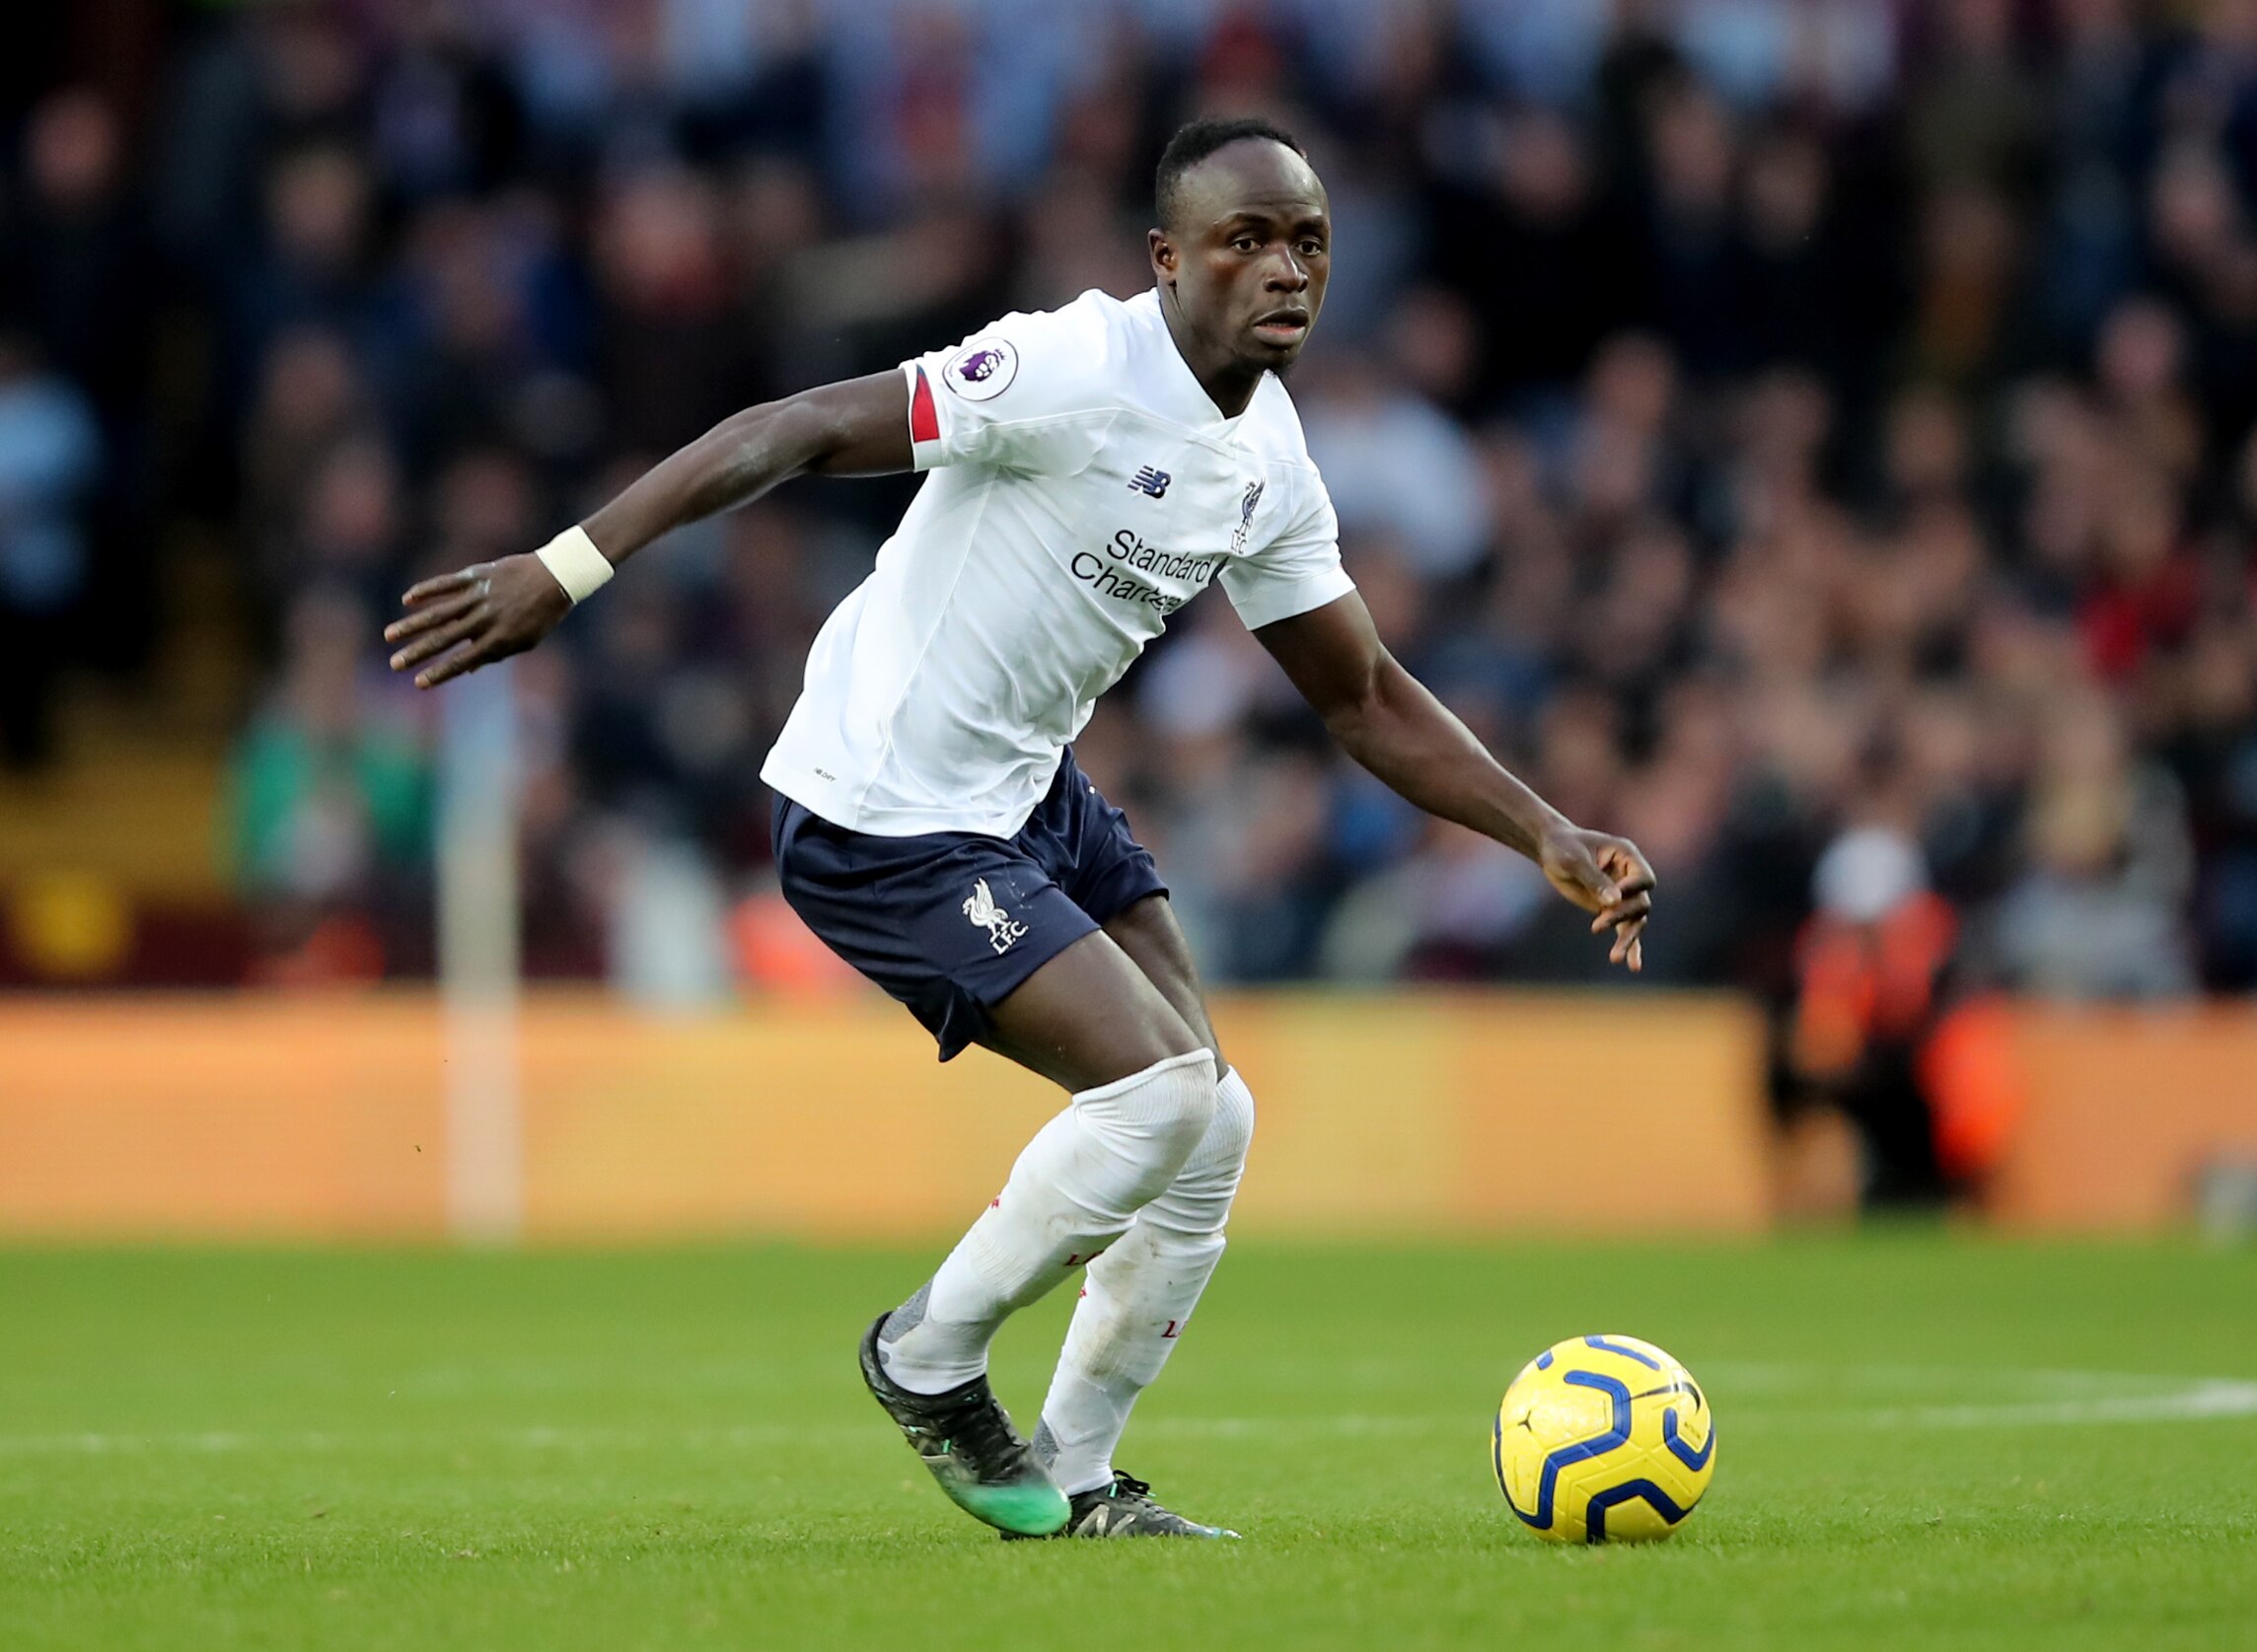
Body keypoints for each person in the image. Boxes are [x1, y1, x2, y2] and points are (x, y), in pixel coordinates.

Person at [384, 118, 1654, 1541]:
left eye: (1307, 242)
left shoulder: (1267, 459)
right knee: (1159, 1094)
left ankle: (1083, 1477)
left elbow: (1361, 696)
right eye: (1243, 240)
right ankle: (925, 1355)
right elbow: (791, 429)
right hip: (882, 804)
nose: (1284, 269)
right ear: (1166, 259)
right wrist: (566, 569)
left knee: (1212, 1119)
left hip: (1022, 789)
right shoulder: (1070, 368)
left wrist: (1546, 831)